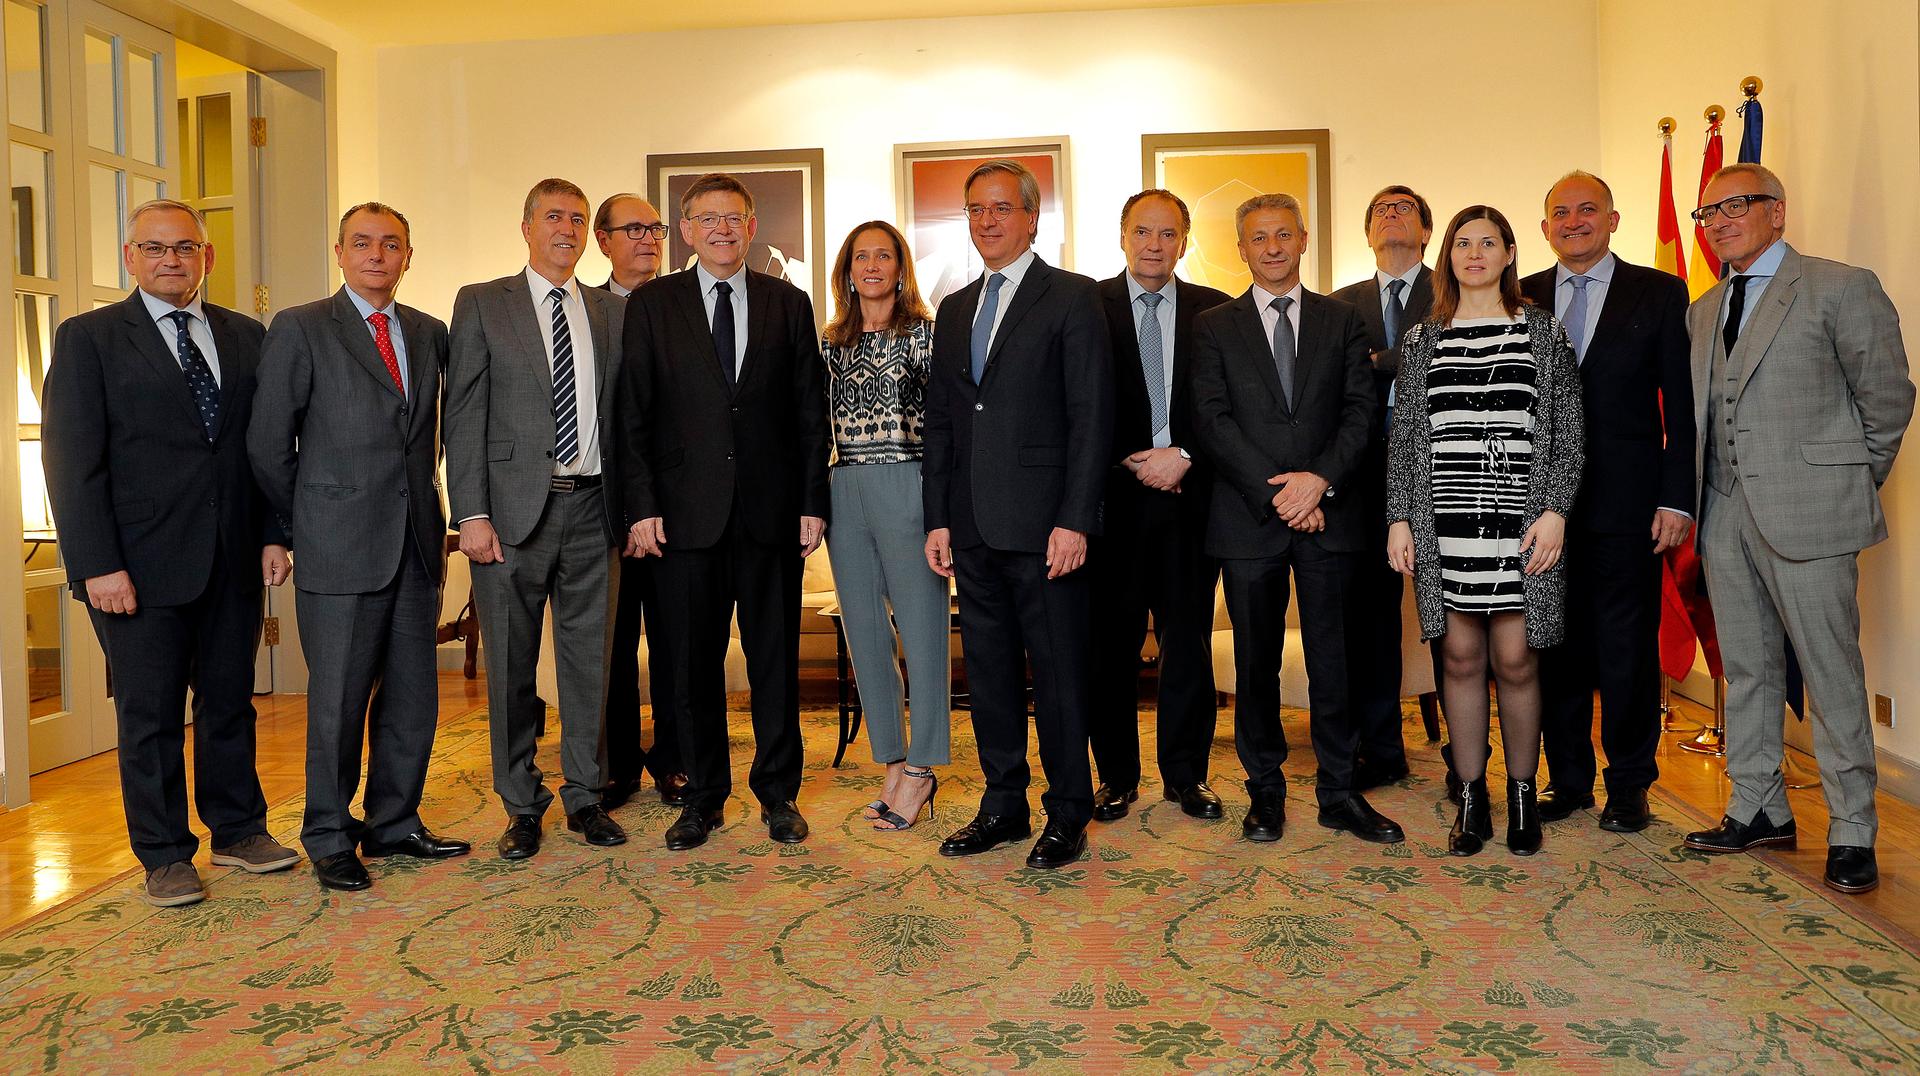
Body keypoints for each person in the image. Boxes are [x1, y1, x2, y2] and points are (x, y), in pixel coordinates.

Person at [42, 199, 298, 907]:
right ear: (130, 257)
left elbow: (264, 448)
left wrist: (277, 531)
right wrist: (96, 565)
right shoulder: (89, 338)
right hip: (136, 567)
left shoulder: (247, 336)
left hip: (234, 557)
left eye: (185, 247)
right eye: (154, 249)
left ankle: (241, 831)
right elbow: (71, 462)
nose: (171, 260)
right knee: (150, 714)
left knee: (229, 704)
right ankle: (164, 855)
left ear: (206, 257)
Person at [1680, 163, 1913, 895]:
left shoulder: (1841, 287)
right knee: (1746, 669)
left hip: (1812, 513)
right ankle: (1758, 806)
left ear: (1777, 212)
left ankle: (1852, 829)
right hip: (1723, 513)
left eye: (1735, 206)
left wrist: (1843, 483)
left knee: (1831, 670)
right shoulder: (1704, 307)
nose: (1718, 222)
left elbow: (1888, 401)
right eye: (1706, 212)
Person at [249, 202, 469, 891]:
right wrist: (306, 521)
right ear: (339, 251)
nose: (378, 254)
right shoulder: (302, 327)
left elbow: (430, 438)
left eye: (392, 244)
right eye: (363, 243)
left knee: (413, 696)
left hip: (415, 544)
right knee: (339, 700)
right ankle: (328, 834)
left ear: (410, 255)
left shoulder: (429, 332)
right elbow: (267, 444)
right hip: (337, 546)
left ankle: (395, 822)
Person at [620, 173, 831, 851]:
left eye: (732, 217)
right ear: (686, 231)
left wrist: (810, 504)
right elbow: (635, 416)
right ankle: (703, 797)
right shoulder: (653, 305)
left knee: (774, 664)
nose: (720, 229)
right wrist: (642, 507)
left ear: (750, 225)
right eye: (706, 218)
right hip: (684, 521)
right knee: (690, 668)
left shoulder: (787, 304)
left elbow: (808, 414)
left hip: (769, 518)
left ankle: (778, 794)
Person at [1190, 192, 1399, 847]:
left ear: (1304, 239)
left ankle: (1339, 792)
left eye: (1284, 234)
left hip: (1331, 515)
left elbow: (1361, 413)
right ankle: (1266, 793)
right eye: (1259, 237)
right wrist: (1279, 492)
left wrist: (1319, 483)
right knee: (1256, 664)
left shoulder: (1343, 321)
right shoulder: (1214, 326)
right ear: (1242, 248)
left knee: (1335, 660)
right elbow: (1211, 419)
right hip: (1248, 519)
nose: (1273, 246)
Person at [923, 159, 1113, 870]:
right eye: (975, 209)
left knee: (1060, 675)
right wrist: (937, 519)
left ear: (1033, 217)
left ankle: (1068, 811)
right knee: (991, 675)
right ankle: (1002, 803)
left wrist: (1076, 519)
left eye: (1002, 208)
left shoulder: (1070, 298)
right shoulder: (955, 307)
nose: (987, 220)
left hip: (1045, 528)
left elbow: (1092, 416)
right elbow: (943, 419)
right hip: (970, 527)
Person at [1386, 205, 1583, 858]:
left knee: (1517, 660)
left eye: (1488, 242)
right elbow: (1408, 439)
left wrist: (1555, 510)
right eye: (1462, 243)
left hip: (1521, 528)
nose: (1475, 253)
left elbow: (1569, 434)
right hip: (1446, 526)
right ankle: (1472, 797)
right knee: (1461, 659)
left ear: (1508, 253)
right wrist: (1400, 519)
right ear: (1448, 256)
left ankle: (1523, 793)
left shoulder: (1541, 332)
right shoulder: (1423, 339)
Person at [445, 178, 630, 859]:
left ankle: (585, 795)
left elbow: (624, 419)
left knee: (590, 664)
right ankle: (521, 804)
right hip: (511, 514)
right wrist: (472, 514)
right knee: (512, 669)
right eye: (554, 217)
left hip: (594, 508)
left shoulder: (609, 313)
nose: (567, 229)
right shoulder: (483, 303)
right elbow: (461, 416)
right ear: (526, 227)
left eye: (578, 220)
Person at [1522, 171, 1694, 834]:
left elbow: (1681, 405)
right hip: (1541, 511)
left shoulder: (1658, 292)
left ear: (1613, 219)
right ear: (1543, 229)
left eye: (1586, 210)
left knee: (1626, 650)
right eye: (1559, 212)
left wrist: (1677, 497)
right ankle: (1568, 782)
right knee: (1556, 648)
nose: (1573, 222)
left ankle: (1629, 784)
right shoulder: (1523, 297)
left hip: (1630, 505)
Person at [1087, 190, 1231, 824]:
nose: (1154, 244)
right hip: (1112, 507)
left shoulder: (1214, 313)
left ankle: (1186, 776)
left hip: (1190, 505)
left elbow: (1228, 406)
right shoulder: (1087, 306)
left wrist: (1186, 455)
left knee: (1188, 646)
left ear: (1184, 240)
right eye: (1142, 232)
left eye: (1167, 234)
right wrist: (1130, 457)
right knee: (1110, 650)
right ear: (1122, 237)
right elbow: (1075, 402)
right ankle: (1116, 777)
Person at [820, 220, 951, 830]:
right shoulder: (828, 341)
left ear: (901, 267)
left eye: (884, 255)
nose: (871, 265)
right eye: (861, 256)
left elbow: (950, 429)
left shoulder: (928, 336)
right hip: (844, 486)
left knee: (922, 631)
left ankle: (923, 768)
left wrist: (942, 512)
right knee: (865, 634)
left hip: (911, 483)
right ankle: (891, 761)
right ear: (847, 269)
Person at [1328, 185, 1439, 791]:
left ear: (1426, 231)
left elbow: (1438, 355)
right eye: (1379, 211)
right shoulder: (1340, 305)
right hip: (1364, 477)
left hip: (1447, 475)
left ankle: (1464, 757)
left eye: (1404, 209)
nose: (1391, 216)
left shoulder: (1452, 290)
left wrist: (1382, 359)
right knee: (1369, 622)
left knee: (1451, 617)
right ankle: (1382, 750)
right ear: (1367, 235)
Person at [589, 193, 687, 810]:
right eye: (633, 229)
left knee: (677, 639)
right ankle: (618, 763)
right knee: (612, 643)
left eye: (655, 228)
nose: (648, 239)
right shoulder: (585, 310)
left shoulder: (684, 305)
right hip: (600, 508)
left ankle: (676, 760)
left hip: (676, 506)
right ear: (604, 241)